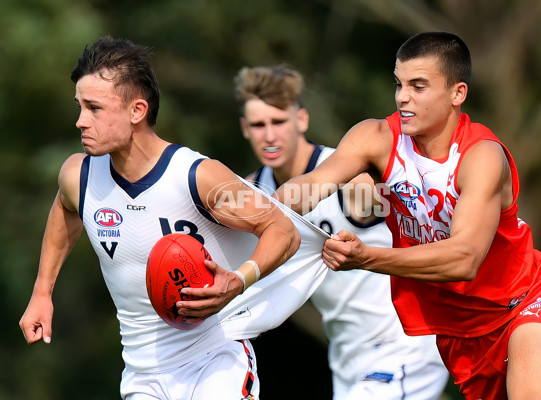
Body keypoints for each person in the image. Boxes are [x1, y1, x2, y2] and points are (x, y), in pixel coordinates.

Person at [18, 36, 330, 400]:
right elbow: (65, 210)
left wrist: (237, 281)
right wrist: (42, 292)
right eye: (79, 107)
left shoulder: (197, 177)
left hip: (215, 361)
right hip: (141, 377)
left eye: (94, 108)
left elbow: (283, 230)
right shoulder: (79, 176)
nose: (80, 122)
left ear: (137, 111)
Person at [274, 32, 541, 400]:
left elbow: (464, 258)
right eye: (399, 84)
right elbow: (308, 187)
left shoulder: (481, 157)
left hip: (525, 303)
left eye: (419, 86)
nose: (403, 97)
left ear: (457, 93)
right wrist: (252, 209)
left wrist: (367, 257)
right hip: (459, 331)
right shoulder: (375, 137)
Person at [234, 65, 448, 400]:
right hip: (348, 362)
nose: (270, 135)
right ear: (245, 129)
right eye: (259, 125)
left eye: (279, 122)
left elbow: (421, 218)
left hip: (404, 347)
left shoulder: (350, 177)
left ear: (301, 120)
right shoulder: (252, 191)